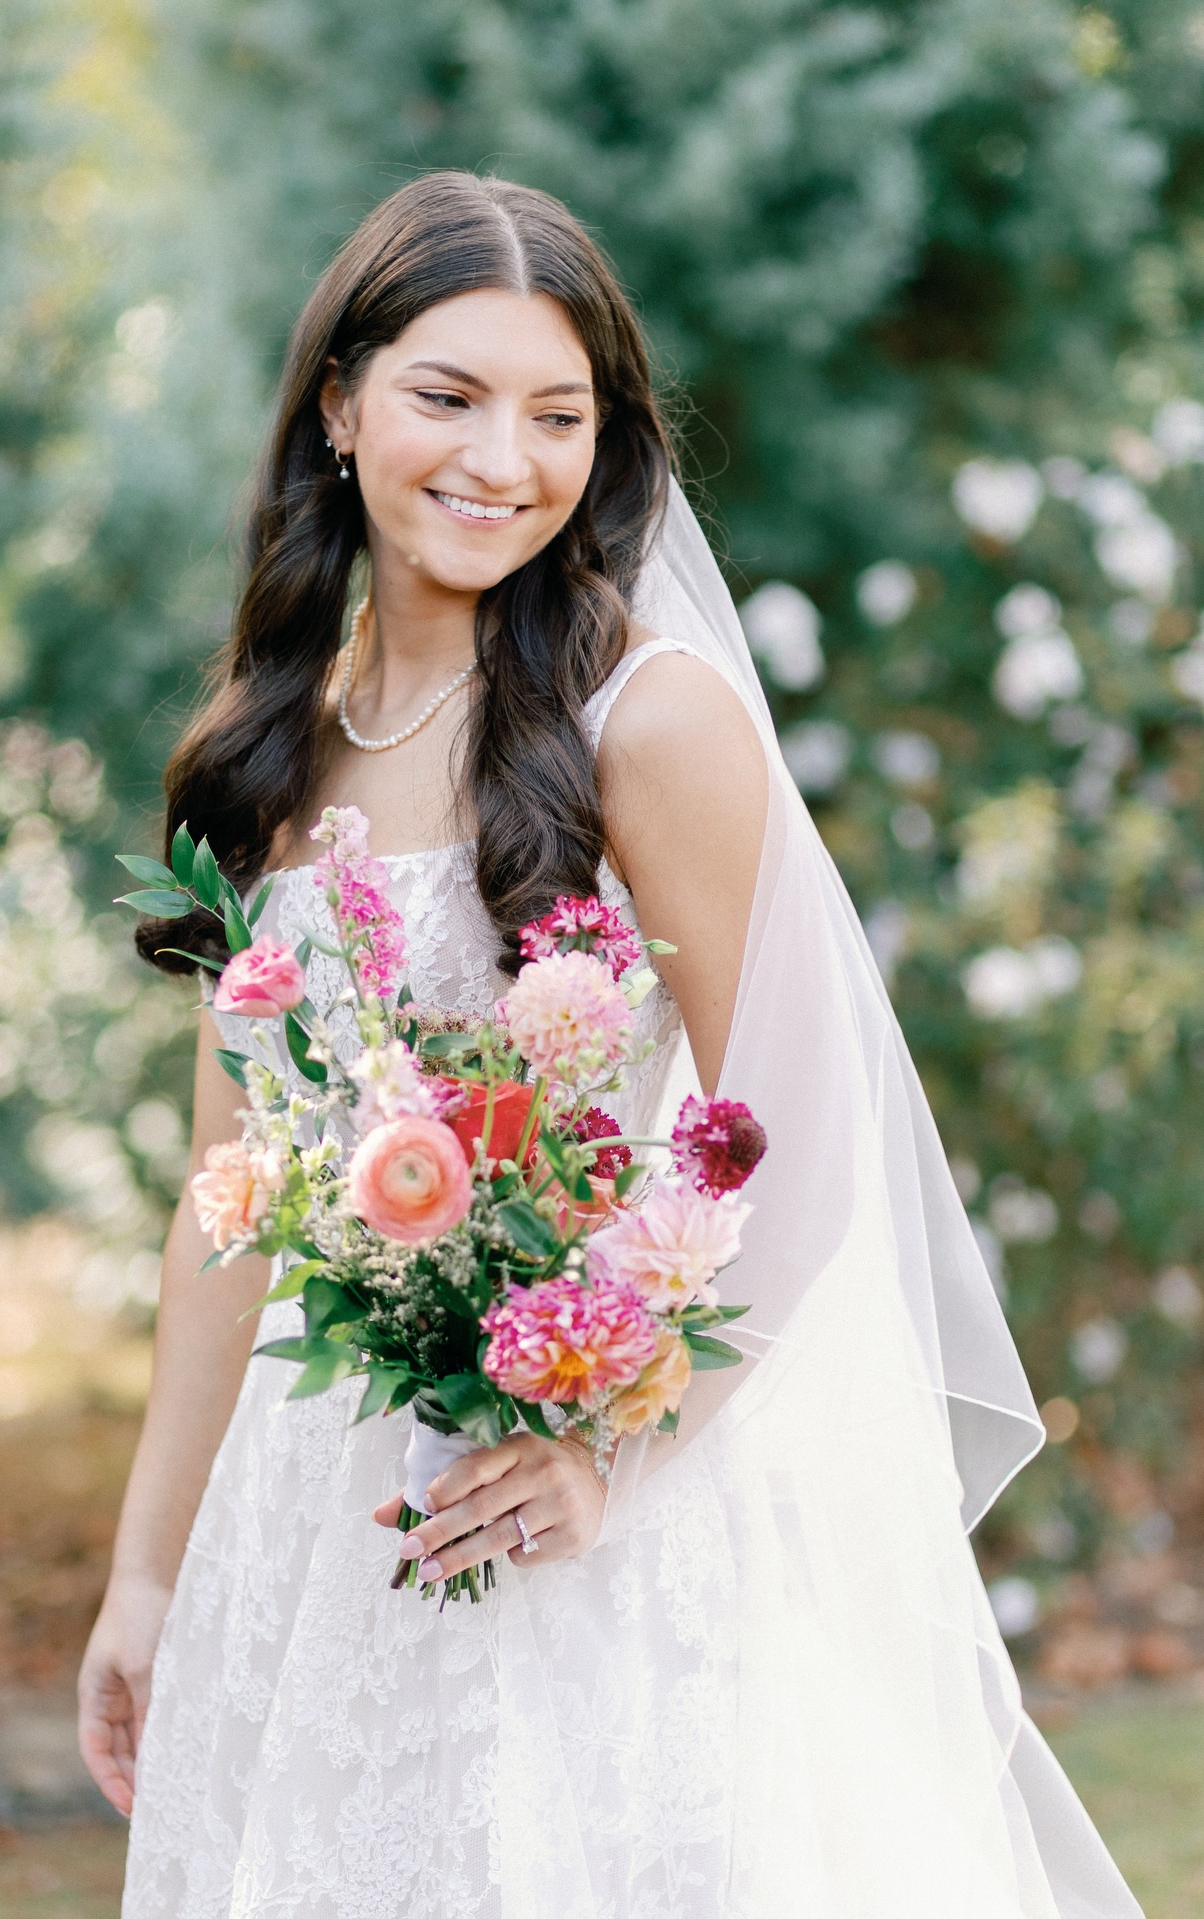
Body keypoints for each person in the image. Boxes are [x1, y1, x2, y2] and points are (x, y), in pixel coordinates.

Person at [80, 172, 1142, 1919]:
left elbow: (794, 1131)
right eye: (449, 396)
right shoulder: (268, 750)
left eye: (557, 415)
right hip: (312, 1514)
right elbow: (229, 1207)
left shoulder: (646, 719)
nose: (504, 458)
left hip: (582, 1514)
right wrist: (146, 1570)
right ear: (339, 408)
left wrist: (610, 1453)